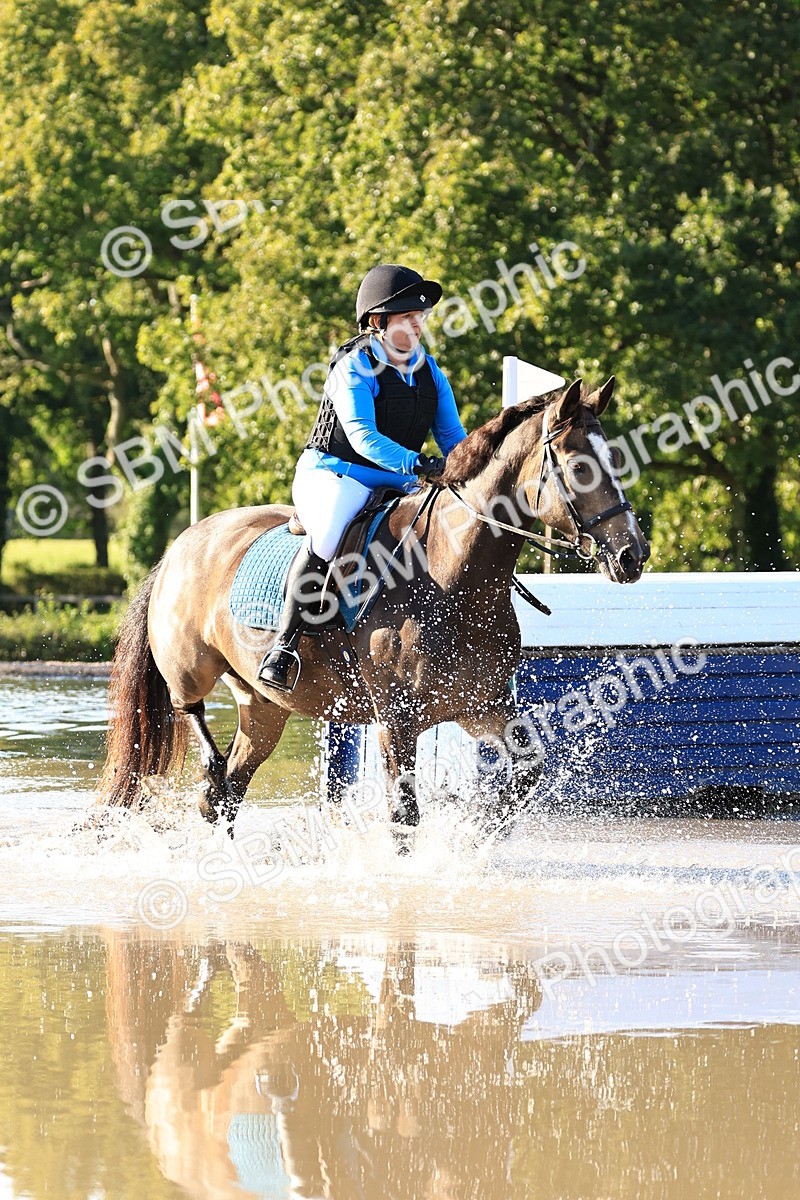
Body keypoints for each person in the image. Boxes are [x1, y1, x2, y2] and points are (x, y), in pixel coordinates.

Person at [258, 263, 467, 691]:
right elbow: (363, 437)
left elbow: (452, 438)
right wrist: (417, 463)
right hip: (334, 474)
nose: (418, 324)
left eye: (420, 317)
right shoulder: (352, 368)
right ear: (378, 323)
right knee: (332, 530)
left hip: (400, 480)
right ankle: (285, 645)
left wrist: (473, 472)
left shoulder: (432, 373)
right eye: (408, 316)